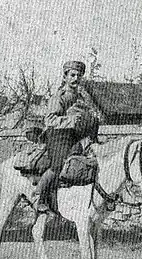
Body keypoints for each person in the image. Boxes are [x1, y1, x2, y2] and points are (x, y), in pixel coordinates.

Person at [33, 60, 102, 213]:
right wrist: (71, 120)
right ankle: (39, 196)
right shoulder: (59, 97)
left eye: (79, 75)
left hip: (76, 136)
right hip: (57, 135)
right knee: (59, 164)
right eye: (72, 75)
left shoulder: (82, 97)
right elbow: (49, 120)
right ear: (65, 77)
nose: (76, 78)